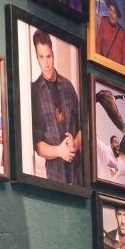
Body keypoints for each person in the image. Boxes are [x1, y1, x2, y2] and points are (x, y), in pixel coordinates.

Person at [30, 28, 82, 185]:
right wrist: (59, 151)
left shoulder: (68, 86)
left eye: (49, 56)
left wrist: (76, 143)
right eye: (41, 57)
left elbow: (83, 127)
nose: (46, 63)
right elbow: (37, 144)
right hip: (55, 175)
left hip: (78, 172)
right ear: (37, 57)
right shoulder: (34, 91)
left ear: (53, 55)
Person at [96, 0, 125, 66]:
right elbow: (98, 44)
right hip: (103, 64)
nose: (111, 14)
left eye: (114, 12)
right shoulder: (104, 22)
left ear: (117, 16)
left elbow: (124, 55)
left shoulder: (122, 32)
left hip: (116, 68)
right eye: (110, 10)